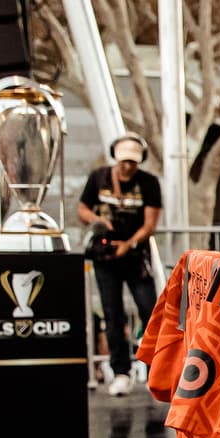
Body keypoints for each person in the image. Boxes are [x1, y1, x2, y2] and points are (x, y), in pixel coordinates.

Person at [78, 134, 162, 397]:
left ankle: (155, 371)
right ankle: (121, 371)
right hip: (106, 259)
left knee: (149, 310)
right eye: (124, 161)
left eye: (133, 162)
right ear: (115, 156)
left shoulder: (148, 183)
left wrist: (129, 243)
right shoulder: (99, 178)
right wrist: (98, 222)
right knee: (112, 314)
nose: (127, 167)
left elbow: (150, 224)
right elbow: (82, 208)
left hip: (137, 258)